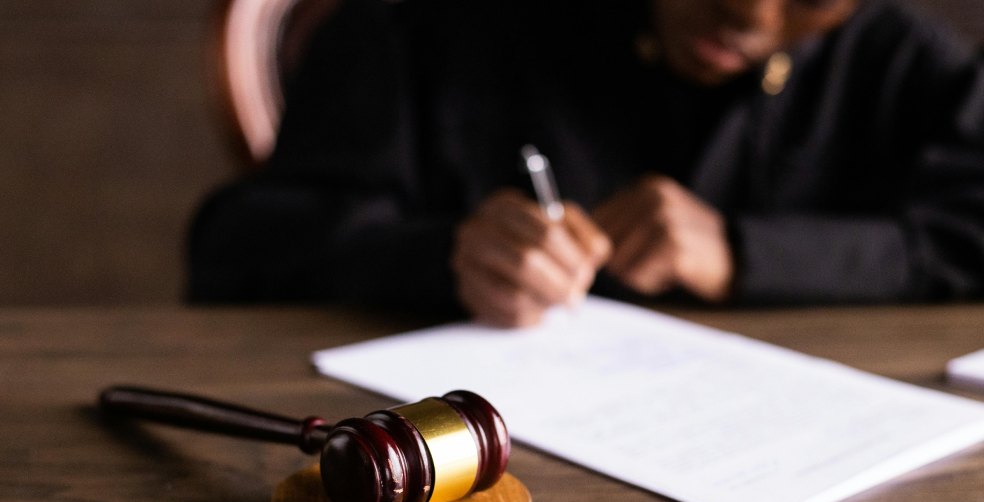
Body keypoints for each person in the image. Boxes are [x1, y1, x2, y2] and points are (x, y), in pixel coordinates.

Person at [190, 0, 984, 327]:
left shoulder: (893, 57)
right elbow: (236, 247)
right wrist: (441, 257)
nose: (750, 13)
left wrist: (746, 253)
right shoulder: (431, 20)